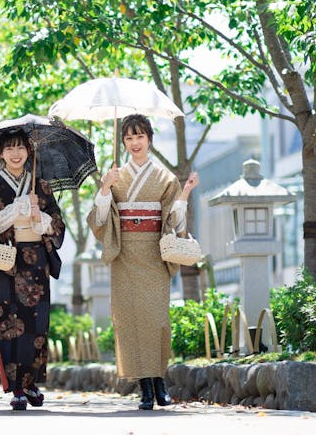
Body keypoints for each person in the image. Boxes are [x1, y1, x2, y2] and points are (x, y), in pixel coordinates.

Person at [87, 113, 200, 410]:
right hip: (124, 253)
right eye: (129, 137)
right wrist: (104, 188)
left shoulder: (164, 177)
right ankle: (144, 388)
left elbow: (174, 221)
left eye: (140, 136)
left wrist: (185, 192)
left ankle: (159, 380)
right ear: (123, 141)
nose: (134, 143)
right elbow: (100, 220)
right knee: (129, 322)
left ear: (149, 138)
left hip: (153, 253)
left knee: (156, 320)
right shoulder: (115, 175)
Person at [0, 127, 65, 410]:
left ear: (29, 151)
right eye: (9, 148)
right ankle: (15, 387)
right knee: (7, 324)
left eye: (21, 147)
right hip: (3, 261)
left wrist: (42, 219)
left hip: (35, 259)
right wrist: (17, 208)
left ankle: (31, 383)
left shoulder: (42, 186)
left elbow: (59, 229)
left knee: (35, 323)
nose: (16, 153)